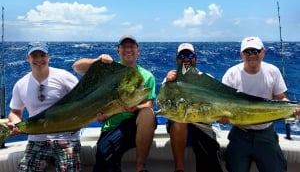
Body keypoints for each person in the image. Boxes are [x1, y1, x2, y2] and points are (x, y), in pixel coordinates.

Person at [72, 35, 156, 172]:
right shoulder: (109, 71)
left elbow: (148, 104)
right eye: (124, 47)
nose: (128, 49)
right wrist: (97, 61)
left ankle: (140, 168)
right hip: (112, 124)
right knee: (103, 159)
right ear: (118, 51)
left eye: (132, 47)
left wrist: (135, 108)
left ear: (138, 51)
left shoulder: (147, 76)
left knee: (148, 113)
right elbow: (77, 67)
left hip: (135, 124)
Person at [7, 41, 81, 172]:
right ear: (27, 58)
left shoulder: (64, 77)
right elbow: (15, 111)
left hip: (66, 138)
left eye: (42, 55)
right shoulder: (21, 84)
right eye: (34, 56)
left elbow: (83, 100)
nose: (39, 59)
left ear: (48, 57)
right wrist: (16, 122)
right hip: (36, 140)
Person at [221, 36, 288, 172]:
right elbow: (223, 106)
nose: (252, 55)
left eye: (255, 51)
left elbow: (280, 98)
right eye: (247, 52)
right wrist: (222, 118)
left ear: (263, 52)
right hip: (239, 134)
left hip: (265, 133)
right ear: (241, 54)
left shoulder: (272, 71)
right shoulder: (231, 74)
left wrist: (293, 109)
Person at [163, 43, 223, 172]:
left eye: (190, 55)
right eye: (182, 55)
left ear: (196, 58)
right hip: (178, 126)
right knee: (180, 120)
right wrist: (168, 83)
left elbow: (216, 104)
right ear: (176, 59)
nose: (186, 59)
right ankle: (179, 169)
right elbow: (162, 104)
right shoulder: (169, 79)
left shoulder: (207, 79)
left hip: (202, 126)